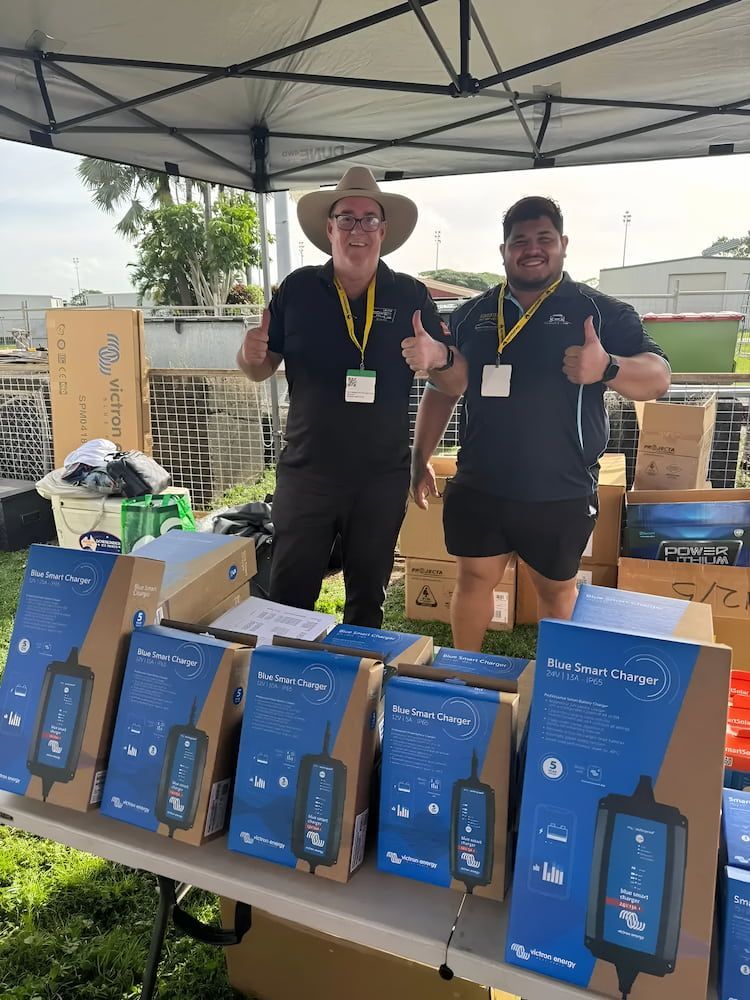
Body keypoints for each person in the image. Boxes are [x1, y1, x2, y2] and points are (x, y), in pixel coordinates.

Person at [411, 196, 670, 650]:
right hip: (481, 482)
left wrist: (607, 366)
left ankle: (555, 685)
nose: (532, 249)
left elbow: (659, 377)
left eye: (544, 239)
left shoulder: (600, 312)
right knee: (472, 581)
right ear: (504, 250)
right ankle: (464, 677)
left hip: (561, 489)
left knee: (556, 593)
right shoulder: (472, 314)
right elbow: (443, 389)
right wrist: (420, 458)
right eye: (520, 241)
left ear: (563, 244)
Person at [238, 167, 467, 626]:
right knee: (288, 599)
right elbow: (259, 369)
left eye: (368, 219)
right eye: (346, 218)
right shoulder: (298, 290)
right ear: (329, 228)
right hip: (307, 475)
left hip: (380, 480)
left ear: (383, 230)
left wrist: (438, 356)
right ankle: (291, 671)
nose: (357, 229)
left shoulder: (410, 295)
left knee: (366, 604)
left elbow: (457, 383)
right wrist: (248, 354)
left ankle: (360, 672)